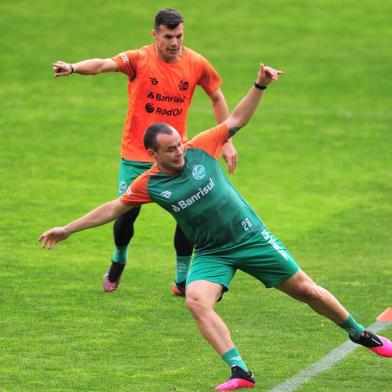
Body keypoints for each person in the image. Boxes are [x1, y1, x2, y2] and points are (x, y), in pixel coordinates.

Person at [39, 64, 392, 391]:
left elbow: (237, 119)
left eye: (179, 145)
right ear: (153, 154)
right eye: (171, 150)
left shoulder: (201, 147)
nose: (179, 152)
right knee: (196, 301)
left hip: (250, 237)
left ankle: (361, 335)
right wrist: (68, 229)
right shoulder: (150, 184)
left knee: (307, 291)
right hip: (212, 253)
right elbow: (114, 207)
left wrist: (260, 85)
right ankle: (240, 371)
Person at [52, 8, 237, 295]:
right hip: (136, 157)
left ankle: (181, 278)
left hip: (177, 156)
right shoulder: (139, 59)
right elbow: (102, 65)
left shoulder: (196, 63)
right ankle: (119, 259)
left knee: (187, 214)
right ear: (155, 35)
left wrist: (226, 141)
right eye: (168, 37)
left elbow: (216, 95)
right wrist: (74, 67)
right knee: (125, 215)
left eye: (179, 36)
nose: (174, 42)